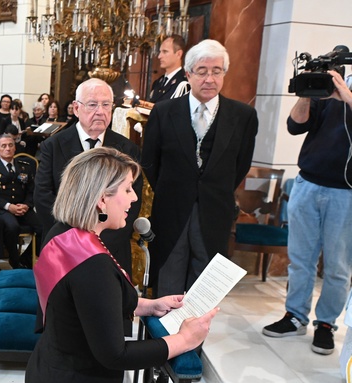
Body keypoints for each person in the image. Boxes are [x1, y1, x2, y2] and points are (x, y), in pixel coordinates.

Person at [0, 147, 215, 383]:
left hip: (52, 370)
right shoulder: (92, 264)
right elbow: (114, 353)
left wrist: (146, 306)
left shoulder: (65, 234)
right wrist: (183, 340)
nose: (133, 198)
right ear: (101, 199)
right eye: (127, 189)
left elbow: (79, 302)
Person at [142, 39, 258, 297]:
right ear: (188, 74)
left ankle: (195, 339)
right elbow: (150, 162)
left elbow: (241, 165)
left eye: (217, 71)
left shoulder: (243, 116)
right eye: (202, 71)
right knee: (167, 286)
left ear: (224, 74)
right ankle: (164, 338)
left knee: (204, 290)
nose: (210, 78)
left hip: (215, 212)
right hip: (171, 211)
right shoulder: (164, 112)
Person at [261, 69, 352, 355]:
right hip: (308, 183)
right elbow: (295, 125)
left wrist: (347, 98)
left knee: (338, 266)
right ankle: (295, 315)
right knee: (300, 259)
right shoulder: (333, 81)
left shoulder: (344, 92)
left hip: (346, 192)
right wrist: (307, 94)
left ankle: (325, 324)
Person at [35, 77, 142, 274]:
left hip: (112, 247)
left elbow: (133, 202)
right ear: (76, 108)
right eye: (92, 104)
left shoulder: (127, 149)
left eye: (106, 105)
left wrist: (100, 241)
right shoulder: (53, 145)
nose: (100, 111)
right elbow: (43, 197)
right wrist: (76, 240)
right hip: (63, 246)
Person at [0, 134, 40, 277]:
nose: (8, 148)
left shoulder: (25, 166)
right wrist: (8, 207)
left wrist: (26, 204)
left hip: (23, 207)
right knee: (12, 226)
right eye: (4, 146)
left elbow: (32, 190)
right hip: (1, 209)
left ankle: (26, 258)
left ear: (15, 147)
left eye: (11, 145)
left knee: (45, 225)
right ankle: (14, 260)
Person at [148, 35, 190, 103]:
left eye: (165, 52)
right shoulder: (158, 82)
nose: (159, 56)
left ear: (179, 54)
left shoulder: (183, 84)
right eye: (160, 52)